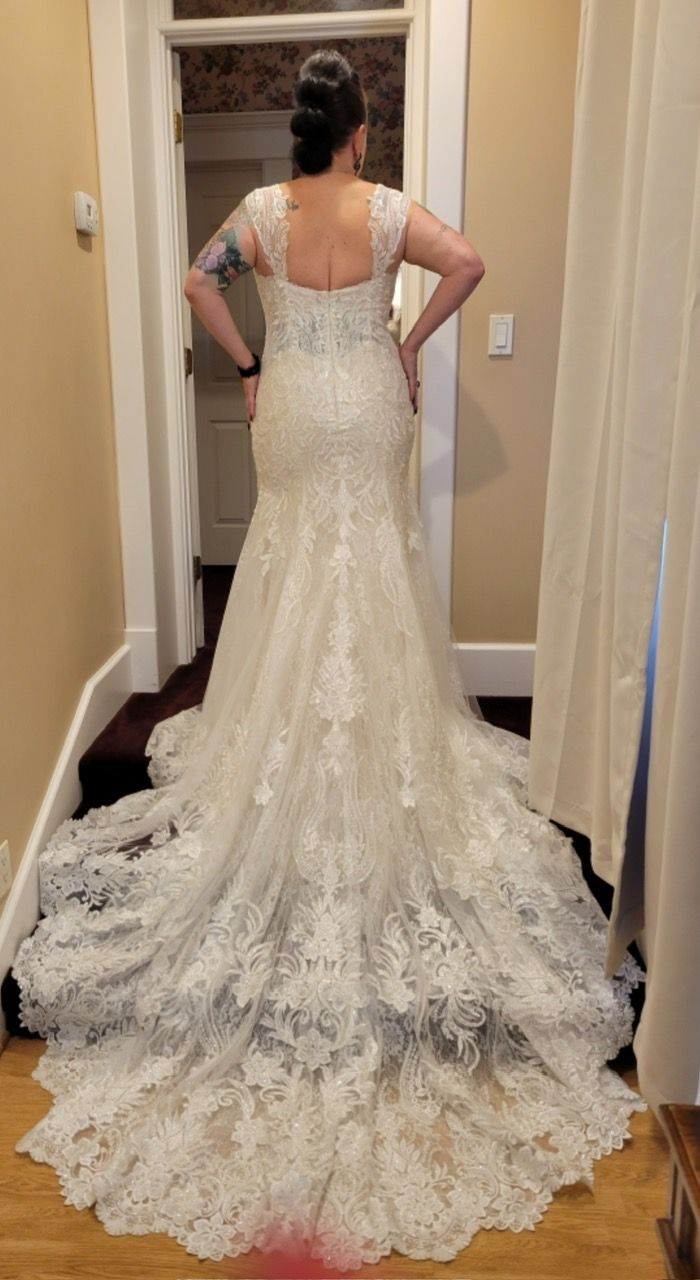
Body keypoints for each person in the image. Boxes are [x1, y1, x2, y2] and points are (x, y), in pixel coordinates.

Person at [12, 48, 647, 1275]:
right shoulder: (391, 210)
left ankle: (281, 738)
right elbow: (468, 264)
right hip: (366, 397)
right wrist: (410, 343)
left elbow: (193, 282)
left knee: (293, 567)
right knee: (371, 573)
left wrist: (250, 363)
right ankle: (373, 749)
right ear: (356, 129)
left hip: (297, 403)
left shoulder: (254, 217)